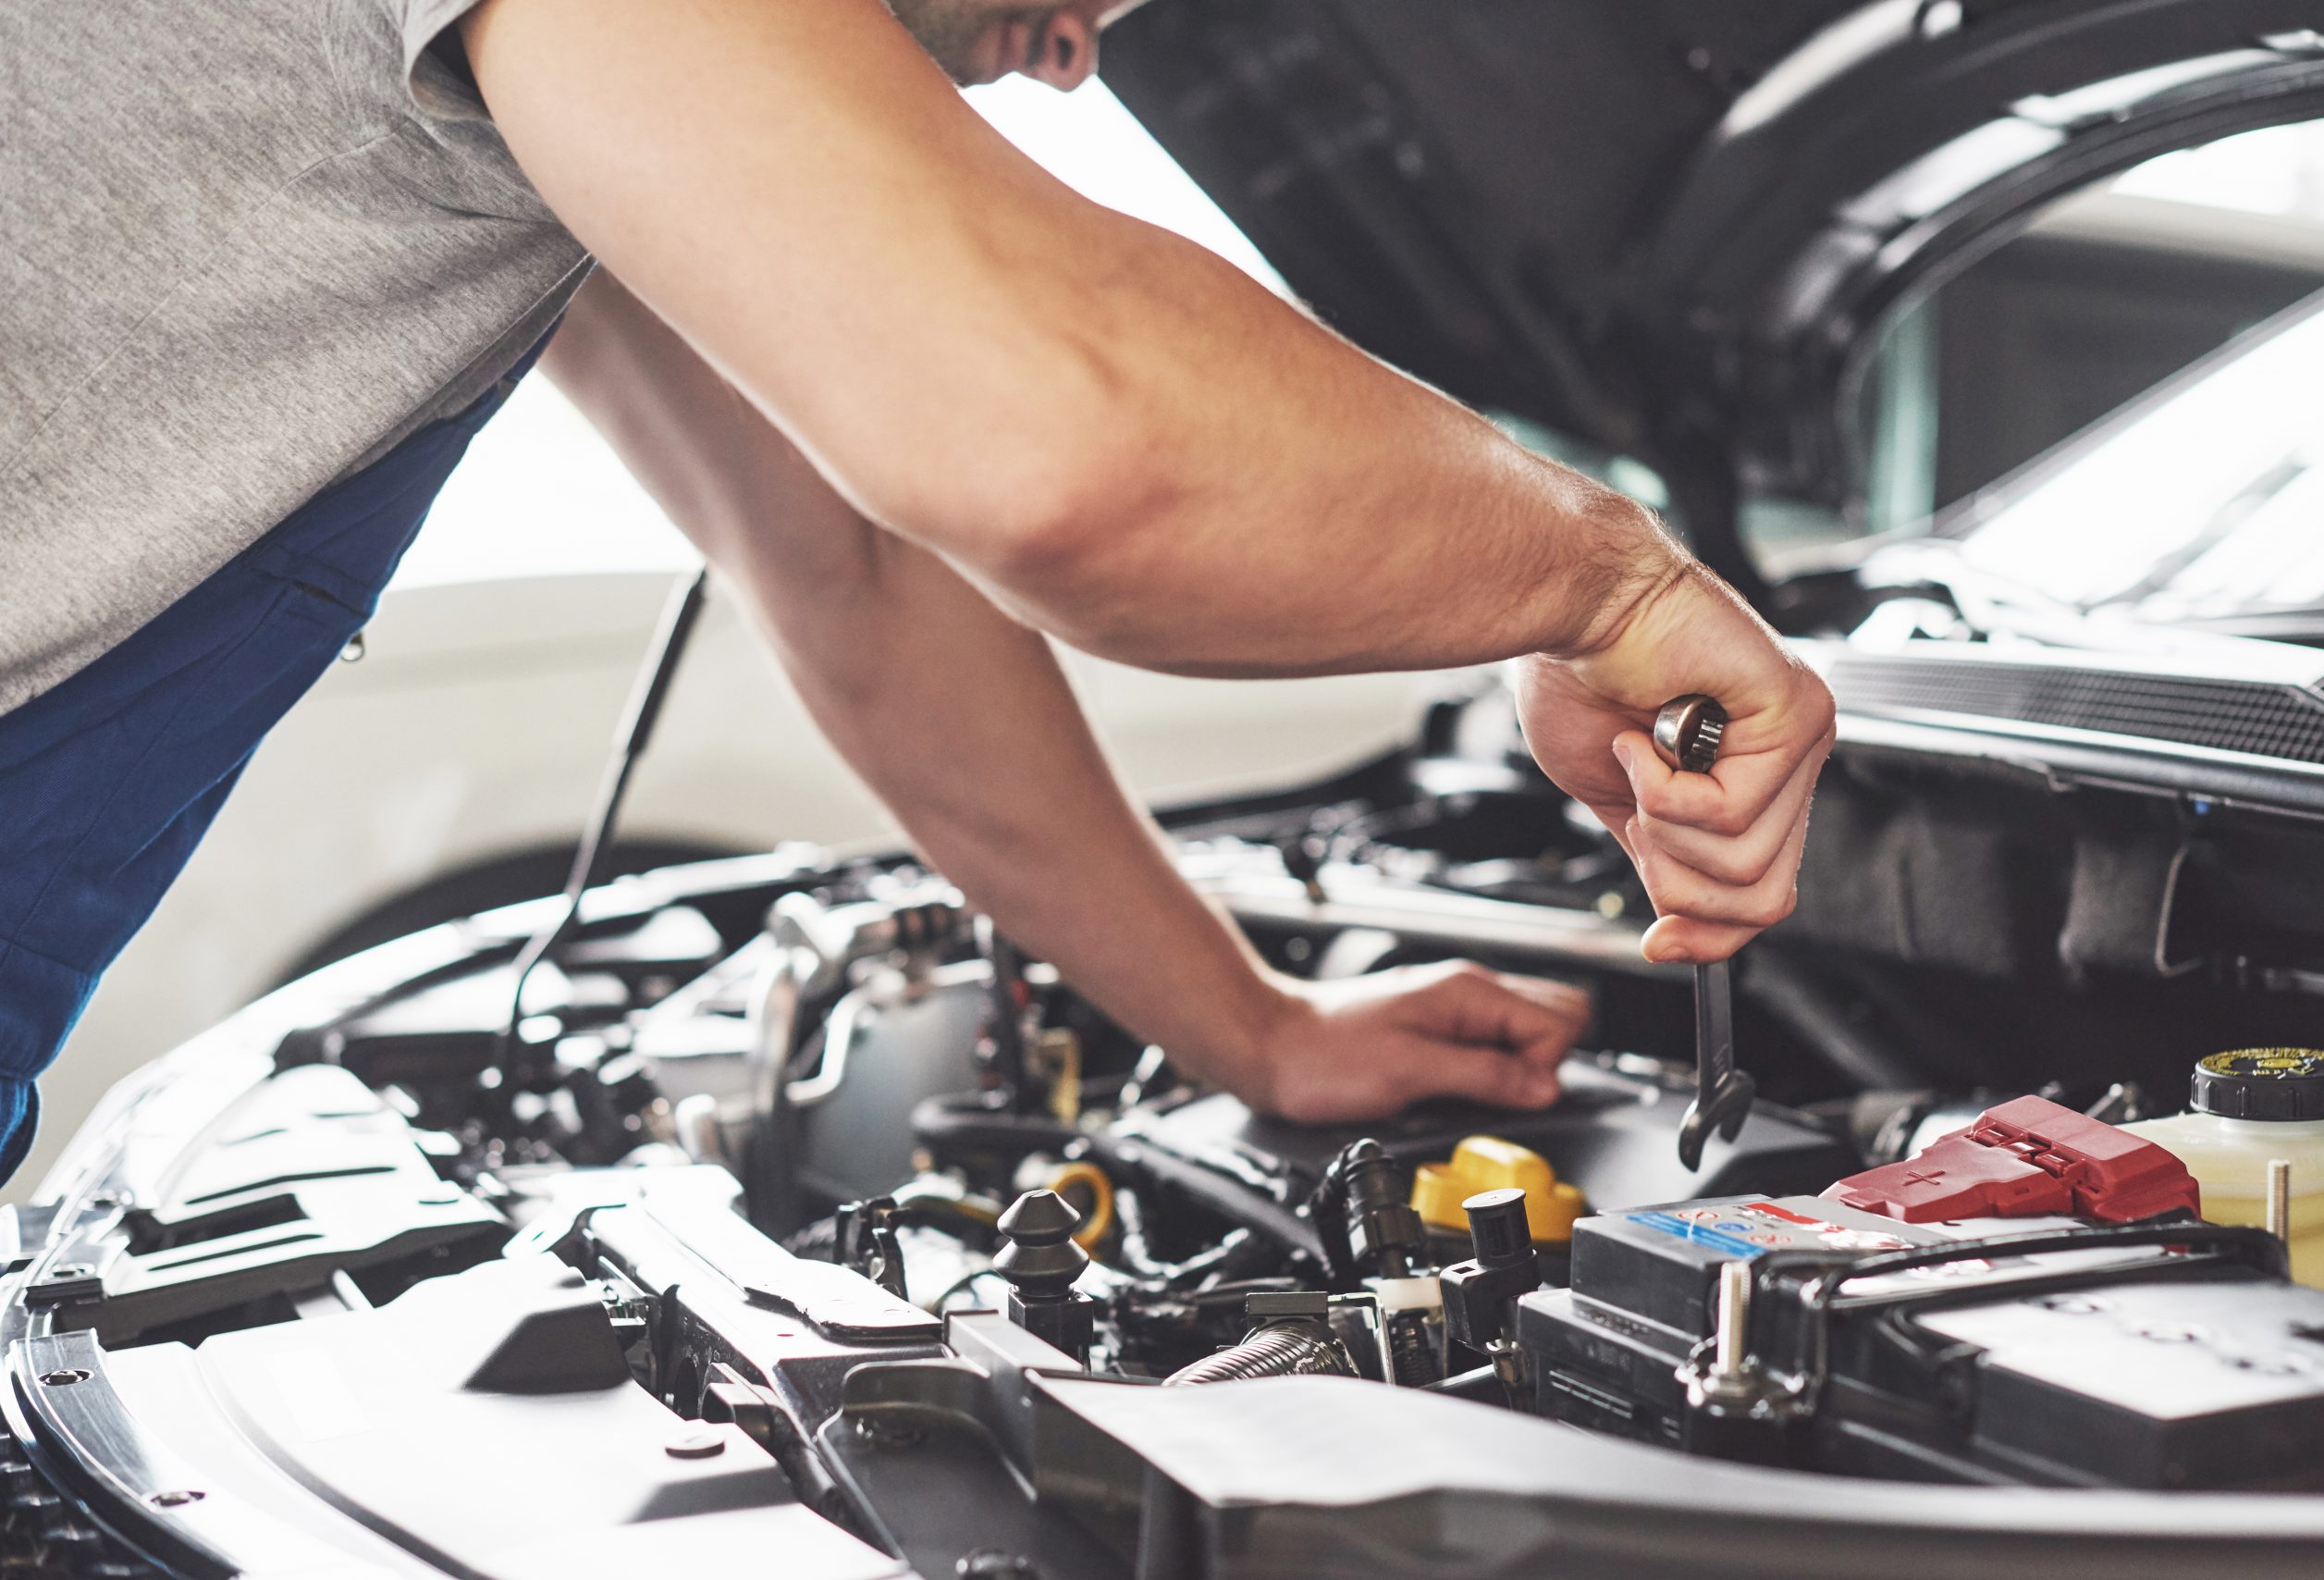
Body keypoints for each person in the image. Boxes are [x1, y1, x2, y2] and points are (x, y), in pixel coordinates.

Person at [0, 0, 1835, 1178]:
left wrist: (1251, 1024)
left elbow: (862, 559)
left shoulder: (592, 92)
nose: (1073, 55)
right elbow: (1057, 437)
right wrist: (1592, 582)